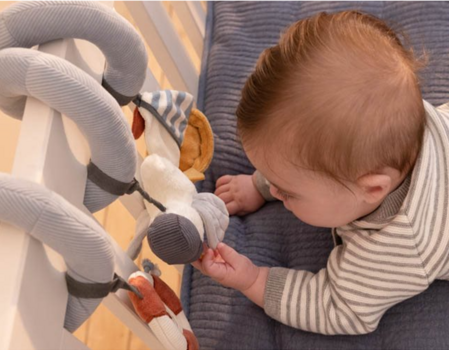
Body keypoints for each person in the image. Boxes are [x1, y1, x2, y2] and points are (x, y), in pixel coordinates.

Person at [192, 10, 449, 335]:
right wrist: (259, 185)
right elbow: (303, 156)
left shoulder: (395, 246)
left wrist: (254, 279)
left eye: (286, 189)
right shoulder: (394, 124)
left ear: (372, 189)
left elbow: (338, 307)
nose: (274, 188)